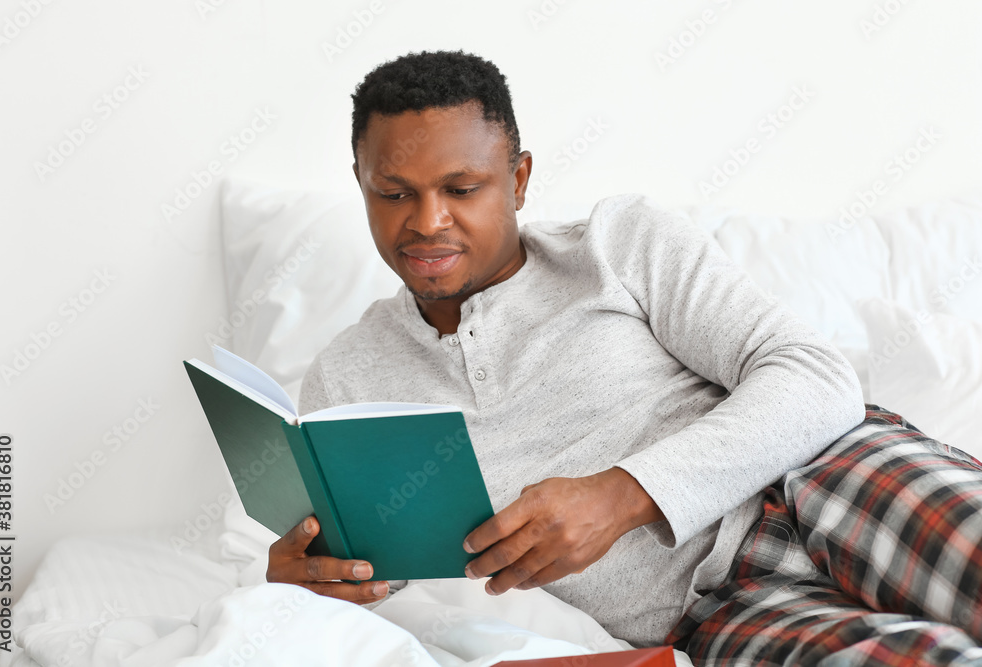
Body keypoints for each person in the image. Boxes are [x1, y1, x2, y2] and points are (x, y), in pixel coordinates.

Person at [266, 50, 982, 665]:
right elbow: (395, 570)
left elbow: (817, 378)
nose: (427, 222)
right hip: (719, 606)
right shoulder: (345, 378)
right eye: (393, 193)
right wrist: (312, 579)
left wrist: (620, 493)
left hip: (827, 472)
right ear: (361, 183)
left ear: (518, 180)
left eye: (462, 188)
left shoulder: (618, 243)